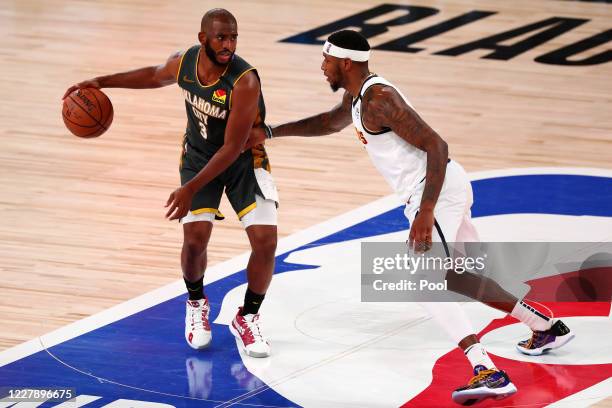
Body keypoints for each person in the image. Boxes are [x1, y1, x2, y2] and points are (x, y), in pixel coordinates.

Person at [254, 30, 574, 405]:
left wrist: (424, 211)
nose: (322, 67)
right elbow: (329, 122)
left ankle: (486, 370)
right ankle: (545, 326)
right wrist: (271, 132)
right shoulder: (358, 97)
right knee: (463, 278)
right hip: (444, 189)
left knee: (422, 282)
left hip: (434, 192)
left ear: (345, 62)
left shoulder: (379, 99)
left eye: (326, 60)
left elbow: (436, 145)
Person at [63, 8, 278, 358]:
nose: (229, 44)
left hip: (241, 160)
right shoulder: (185, 63)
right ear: (203, 39)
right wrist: (101, 82)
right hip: (197, 156)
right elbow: (153, 75)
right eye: (222, 37)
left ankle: (248, 316)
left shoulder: (245, 80)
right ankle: (196, 303)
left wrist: (190, 188)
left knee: (266, 242)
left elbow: (232, 147)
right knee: (195, 240)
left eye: (234, 37)